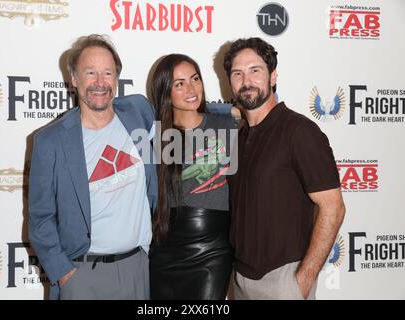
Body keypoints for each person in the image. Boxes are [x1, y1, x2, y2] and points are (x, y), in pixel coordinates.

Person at [28, 34, 157, 300]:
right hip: (82, 275)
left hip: (137, 270)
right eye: (91, 73)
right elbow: (40, 219)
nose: (100, 83)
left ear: (117, 79)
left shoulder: (138, 113)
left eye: (107, 73)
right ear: (74, 79)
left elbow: (184, 114)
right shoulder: (50, 141)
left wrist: (234, 112)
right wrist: (65, 274)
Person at [223, 37, 346, 300]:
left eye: (255, 71)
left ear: (273, 75)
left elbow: (333, 207)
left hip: (283, 282)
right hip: (240, 280)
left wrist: (303, 279)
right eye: (237, 74)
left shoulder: (299, 131)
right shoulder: (239, 137)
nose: (246, 81)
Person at [148, 54, 235, 299]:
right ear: (166, 91)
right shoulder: (155, 136)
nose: (191, 88)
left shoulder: (227, 127)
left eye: (195, 79)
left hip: (212, 250)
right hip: (164, 250)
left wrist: (228, 109)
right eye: (180, 83)